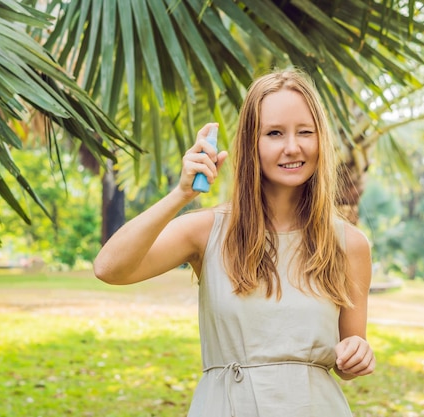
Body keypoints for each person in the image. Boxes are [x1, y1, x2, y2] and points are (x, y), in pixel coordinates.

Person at [93, 68, 375, 416]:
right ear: (250, 143)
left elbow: (347, 356)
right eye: (274, 133)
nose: (292, 147)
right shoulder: (206, 230)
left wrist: (357, 353)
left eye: (305, 132)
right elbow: (109, 268)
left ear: (321, 140)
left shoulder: (349, 243)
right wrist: (181, 194)